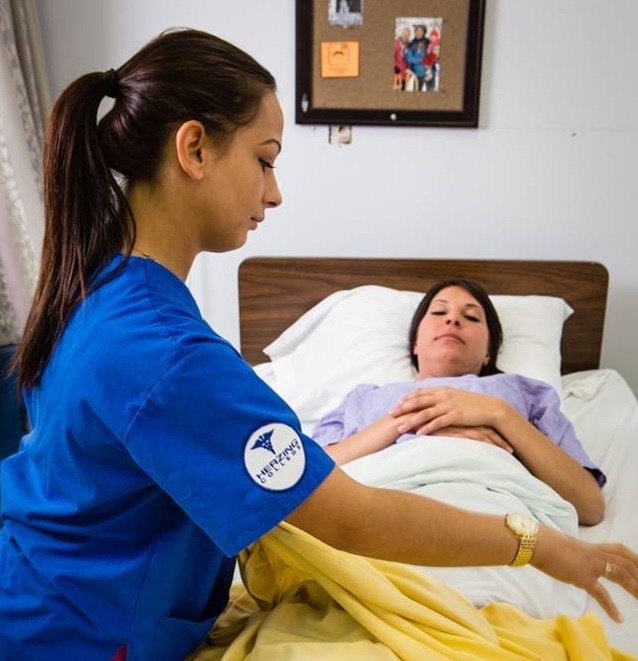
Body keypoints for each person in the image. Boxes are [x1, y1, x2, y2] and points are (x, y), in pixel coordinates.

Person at [0, 27, 636, 661]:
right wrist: (541, 546)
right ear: (194, 148)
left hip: (42, 580)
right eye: (265, 159)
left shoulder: (95, 289)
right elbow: (349, 514)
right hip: (78, 632)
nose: (273, 193)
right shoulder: (168, 353)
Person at [312, 279, 607, 527]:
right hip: (384, 502)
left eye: (472, 317)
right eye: (439, 312)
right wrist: (413, 423)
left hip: (496, 510)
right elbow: (309, 476)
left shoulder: (526, 393)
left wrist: (499, 414)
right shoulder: (363, 398)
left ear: (489, 352)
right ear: (415, 344)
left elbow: (589, 506)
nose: (452, 320)